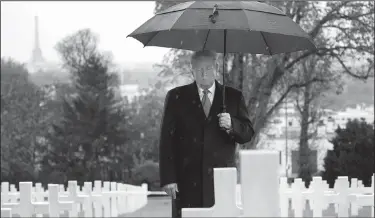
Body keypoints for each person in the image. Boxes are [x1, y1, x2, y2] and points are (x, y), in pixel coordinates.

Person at [159, 50, 254, 218]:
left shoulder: (233, 97)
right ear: (191, 70)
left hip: (221, 180)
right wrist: (168, 178)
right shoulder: (176, 97)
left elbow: (247, 134)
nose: (204, 73)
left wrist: (232, 125)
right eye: (199, 69)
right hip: (186, 180)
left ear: (217, 68)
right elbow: (167, 140)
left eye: (209, 68)